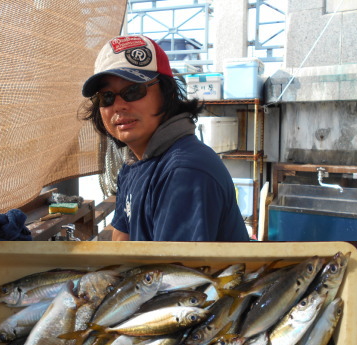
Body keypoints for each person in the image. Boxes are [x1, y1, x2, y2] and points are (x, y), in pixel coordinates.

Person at [81, 35, 250, 242]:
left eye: (133, 90)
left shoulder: (185, 171)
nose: (118, 105)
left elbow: (174, 271)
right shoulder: (133, 165)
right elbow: (120, 243)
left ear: (168, 93)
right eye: (106, 97)